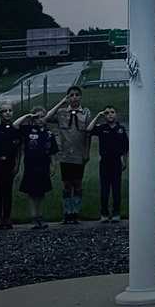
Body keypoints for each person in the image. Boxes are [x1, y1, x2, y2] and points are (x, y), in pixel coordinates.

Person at [44, 85, 92, 223]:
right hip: (65, 153)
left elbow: (88, 134)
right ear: (68, 97)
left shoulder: (85, 113)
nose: (74, 97)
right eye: (71, 95)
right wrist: (61, 102)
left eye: (77, 95)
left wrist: (86, 152)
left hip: (79, 153)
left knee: (77, 182)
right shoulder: (62, 113)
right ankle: (66, 213)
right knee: (66, 183)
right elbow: (47, 117)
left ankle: (75, 213)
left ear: (80, 97)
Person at [14, 107, 59, 228]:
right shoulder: (28, 130)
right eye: (37, 117)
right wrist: (27, 116)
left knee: (41, 193)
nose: (40, 119)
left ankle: (40, 216)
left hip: (44, 166)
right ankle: (33, 217)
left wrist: (53, 166)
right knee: (32, 193)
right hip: (31, 166)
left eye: (42, 116)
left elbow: (53, 151)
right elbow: (15, 125)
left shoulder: (49, 133)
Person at [87, 105, 129, 222]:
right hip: (105, 162)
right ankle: (104, 213)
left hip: (116, 162)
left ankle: (116, 212)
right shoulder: (102, 128)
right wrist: (98, 116)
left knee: (116, 189)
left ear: (116, 115)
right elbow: (89, 129)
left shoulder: (120, 129)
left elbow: (125, 147)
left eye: (112, 112)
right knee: (105, 189)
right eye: (107, 113)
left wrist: (124, 161)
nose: (110, 114)